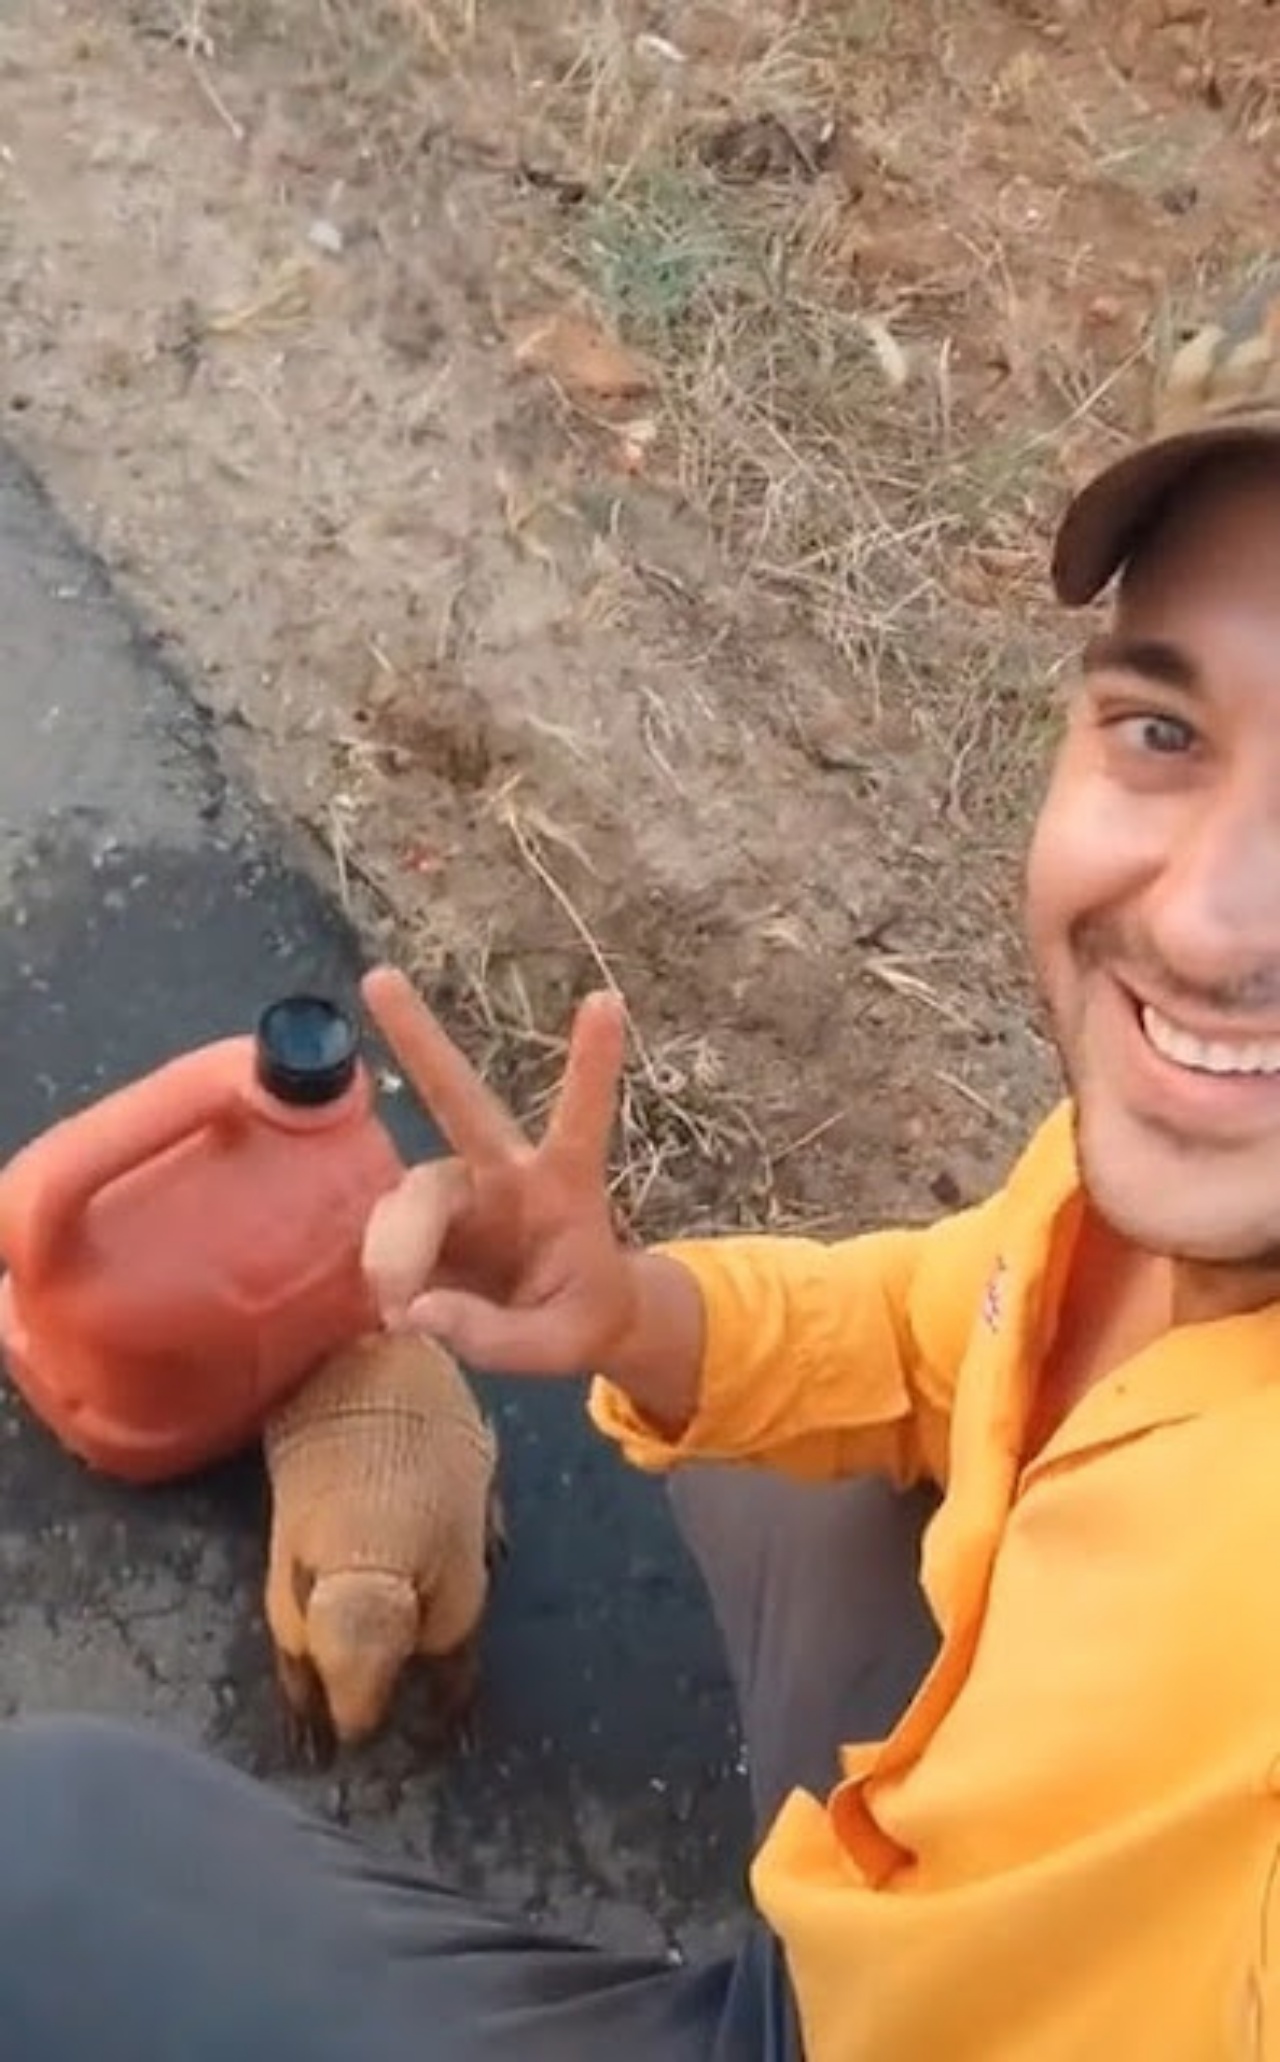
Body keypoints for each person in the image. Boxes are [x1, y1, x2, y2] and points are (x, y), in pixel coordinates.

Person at [7, 273, 1280, 2062]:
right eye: (1165, 727)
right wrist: (639, 1308)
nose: (1210, 918)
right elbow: (944, 1317)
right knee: (774, 1468)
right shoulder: (1132, 1164)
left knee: (44, 1857)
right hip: (921, 1890)